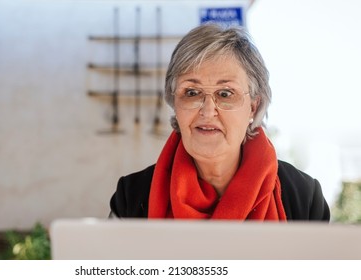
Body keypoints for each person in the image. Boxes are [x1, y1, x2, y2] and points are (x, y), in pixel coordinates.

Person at [109, 23, 330, 221]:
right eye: (192, 92)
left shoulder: (304, 197)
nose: (207, 111)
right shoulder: (132, 196)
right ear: (174, 103)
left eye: (225, 94)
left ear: (253, 107)